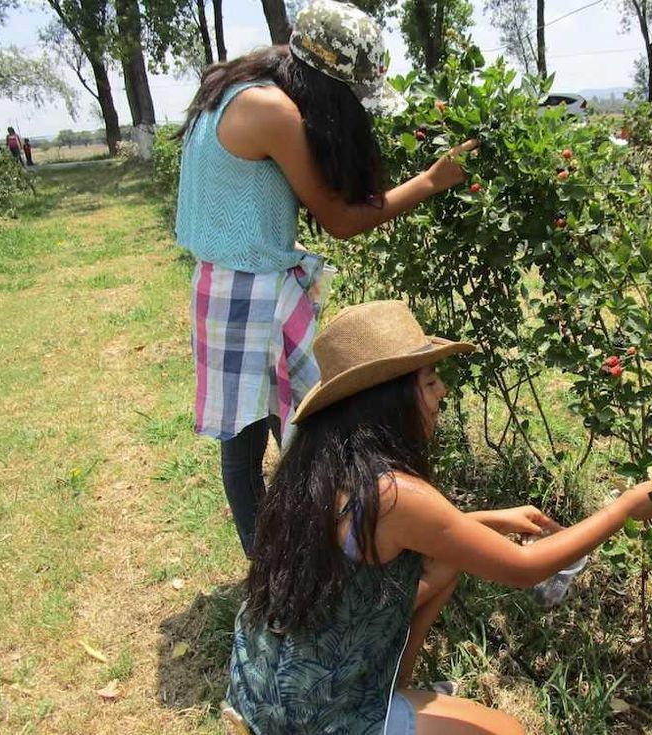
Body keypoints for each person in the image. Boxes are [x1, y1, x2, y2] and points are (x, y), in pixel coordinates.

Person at [224, 300, 652, 734]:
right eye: (428, 381)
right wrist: (624, 508)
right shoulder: (395, 492)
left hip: (260, 684)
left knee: (444, 565)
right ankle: (382, 711)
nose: (441, 390)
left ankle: (393, 692)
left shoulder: (320, 460)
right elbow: (525, 569)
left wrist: (492, 519)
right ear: (389, 399)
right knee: (508, 732)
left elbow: (406, 537)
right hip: (311, 715)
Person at [174, 0, 477, 556]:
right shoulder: (273, 111)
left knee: (279, 430)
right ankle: (276, 569)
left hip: (230, 285)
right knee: (274, 439)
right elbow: (339, 220)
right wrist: (432, 181)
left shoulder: (247, 86)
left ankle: (290, 556)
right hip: (245, 295)